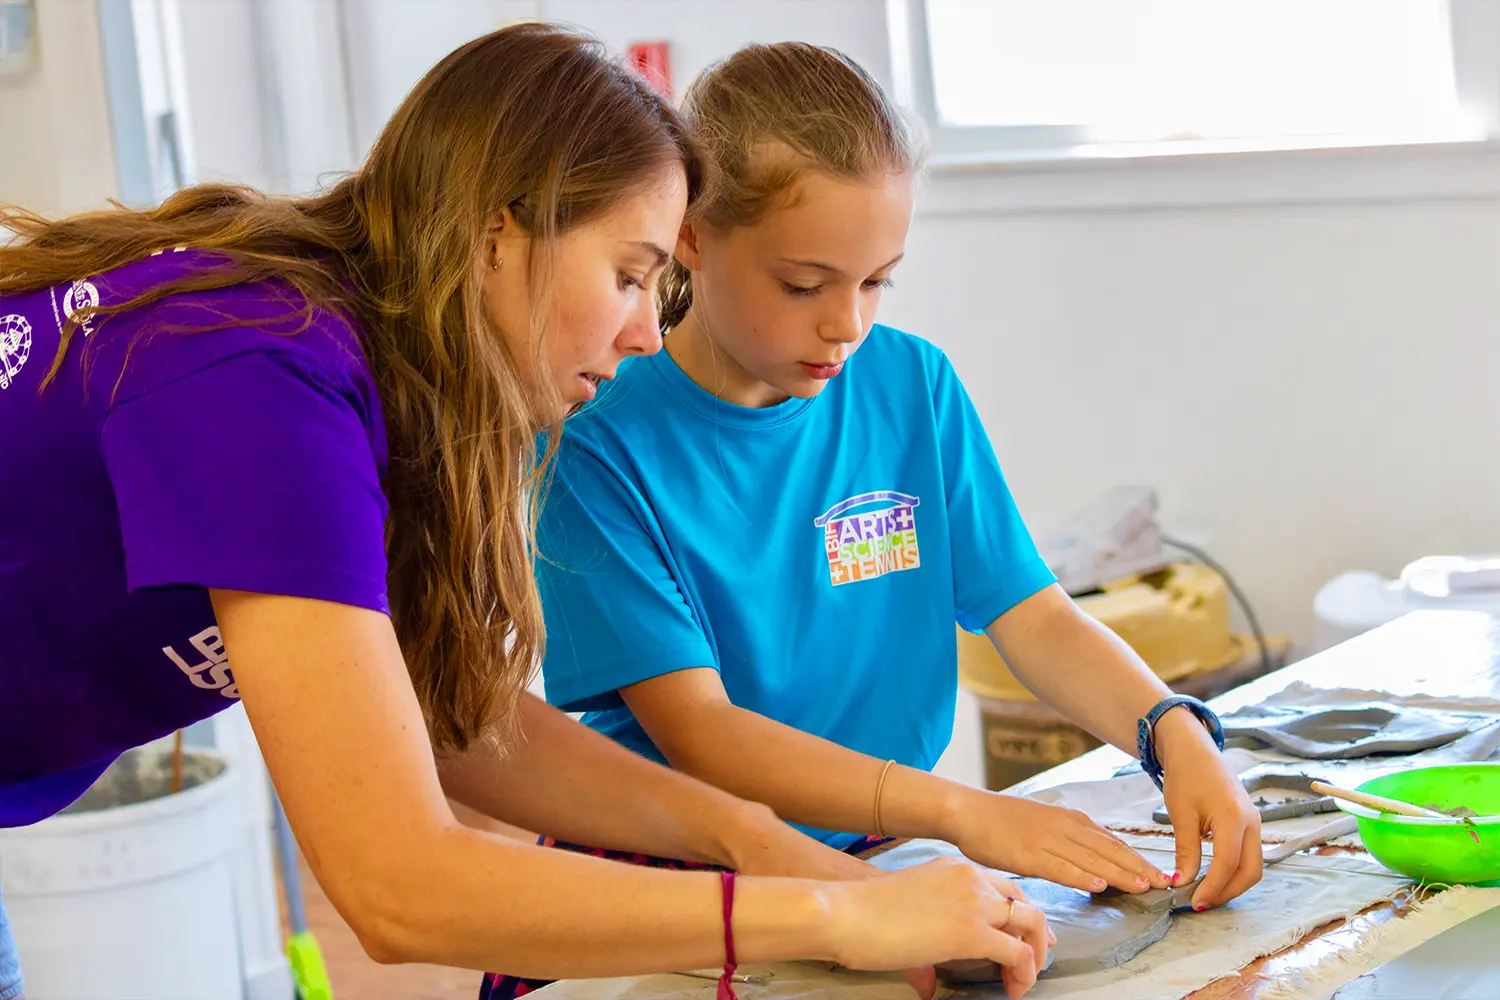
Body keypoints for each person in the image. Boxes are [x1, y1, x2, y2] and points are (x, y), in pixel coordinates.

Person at [0, 25, 1055, 1000]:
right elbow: (396, 884)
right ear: (497, 234)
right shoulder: (259, 374)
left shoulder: (369, 380)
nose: (649, 332)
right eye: (632, 275)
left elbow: (448, 719)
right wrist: (830, 912)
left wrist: (752, 839)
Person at [522, 36, 1265, 972]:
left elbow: (1031, 615)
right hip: (681, 884)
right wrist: (962, 809)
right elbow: (703, 735)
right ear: (694, 237)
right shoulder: (598, 438)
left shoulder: (912, 384)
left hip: (874, 857)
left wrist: (1172, 729)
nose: (848, 325)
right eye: (804, 285)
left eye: (877, 280)